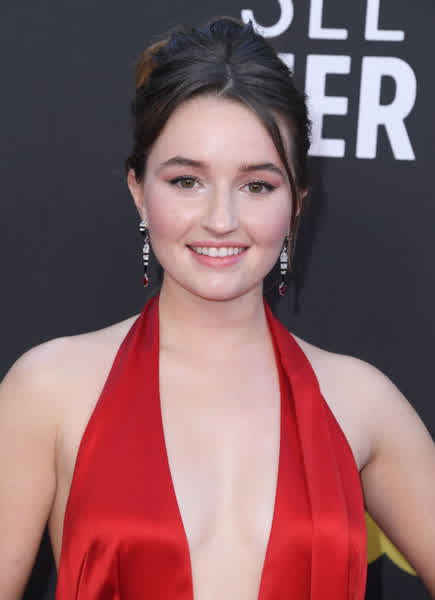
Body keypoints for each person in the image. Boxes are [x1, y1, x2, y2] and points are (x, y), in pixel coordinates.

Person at [0, 16, 434, 600]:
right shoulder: (48, 390)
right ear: (138, 190)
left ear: (296, 202)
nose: (222, 220)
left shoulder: (361, 402)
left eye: (257, 185)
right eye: (187, 181)